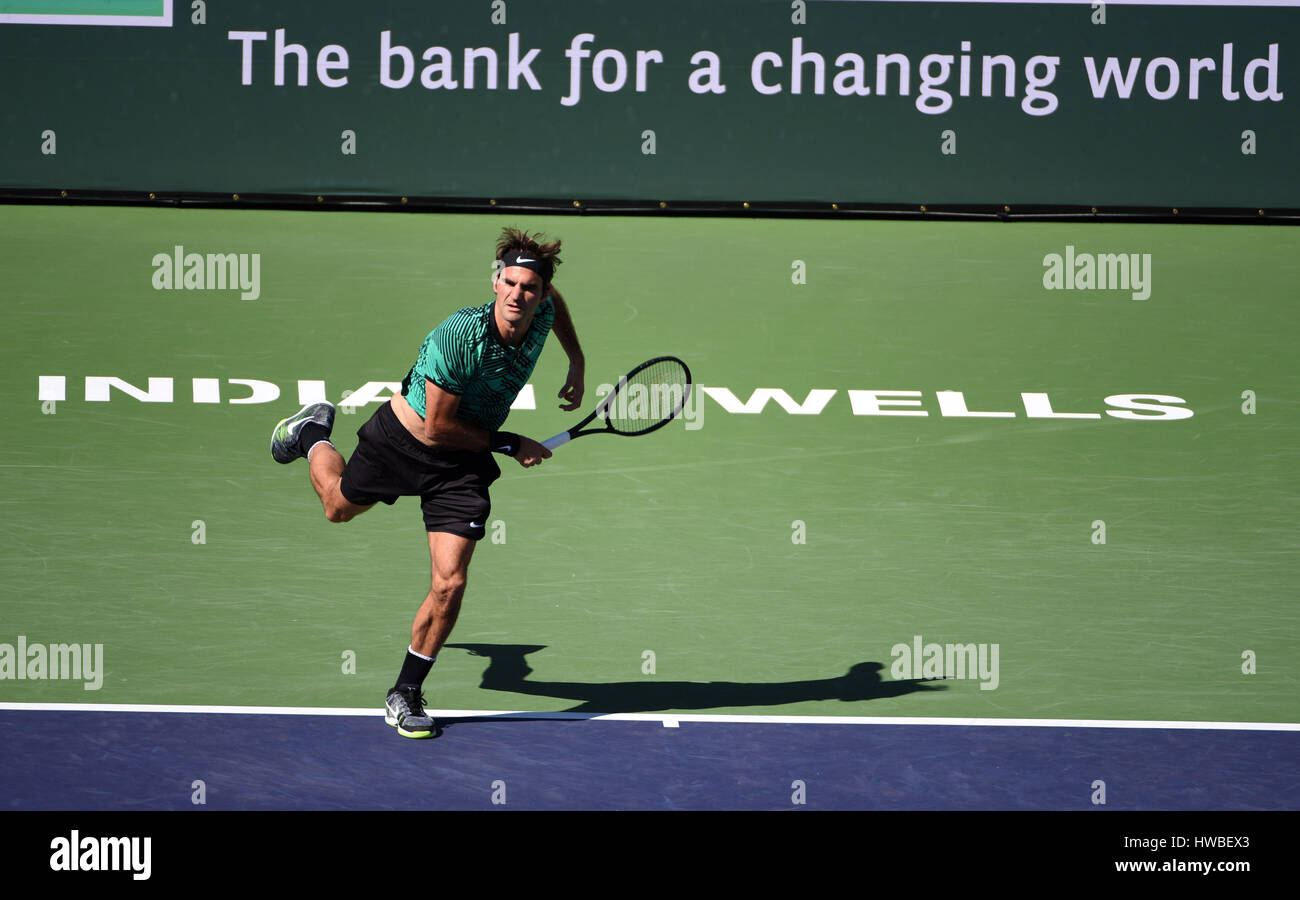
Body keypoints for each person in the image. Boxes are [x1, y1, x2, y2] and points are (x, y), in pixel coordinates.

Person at [269, 227, 585, 738]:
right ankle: (312, 436)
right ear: (495, 282)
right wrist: (509, 443)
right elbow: (438, 426)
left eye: (529, 287)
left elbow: (558, 304)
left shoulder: (543, 308)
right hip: (404, 440)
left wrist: (576, 358)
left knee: (450, 582)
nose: (516, 295)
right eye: (508, 283)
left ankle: (406, 691)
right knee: (336, 507)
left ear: (540, 293)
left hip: (460, 467)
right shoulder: (459, 336)